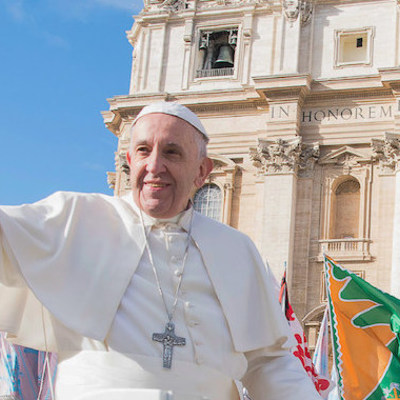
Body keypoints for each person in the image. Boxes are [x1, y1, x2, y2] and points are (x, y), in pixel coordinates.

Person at [0, 101, 322, 400]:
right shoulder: (76, 218)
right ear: (129, 161)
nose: (155, 166)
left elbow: (268, 362)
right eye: (143, 150)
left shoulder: (236, 250)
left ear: (202, 170)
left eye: (171, 152)